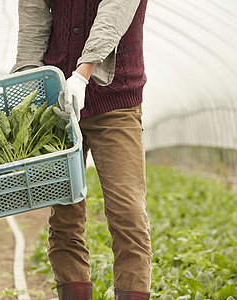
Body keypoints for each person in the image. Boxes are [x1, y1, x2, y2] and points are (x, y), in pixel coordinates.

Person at [11, 0, 152, 299]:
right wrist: (27, 80)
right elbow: (34, 18)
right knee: (65, 216)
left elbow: (115, 12)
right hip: (60, 101)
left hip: (116, 101)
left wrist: (83, 74)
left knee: (128, 214)